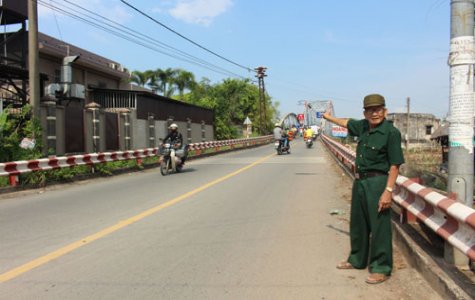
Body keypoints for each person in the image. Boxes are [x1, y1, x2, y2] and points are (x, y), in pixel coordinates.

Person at [322, 94, 404, 284]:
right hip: (360, 181)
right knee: (358, 223)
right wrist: (328, 117)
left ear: (385, 111)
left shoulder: (391, 133)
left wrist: (388, 191)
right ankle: (357, 259)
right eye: (370, 110)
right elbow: (346, 122)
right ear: (365, 113)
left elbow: (394, 166)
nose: (374, 113)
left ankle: (381, 267)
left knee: (379, 226)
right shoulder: (363, 127)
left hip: (378, 182)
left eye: (378, 109)